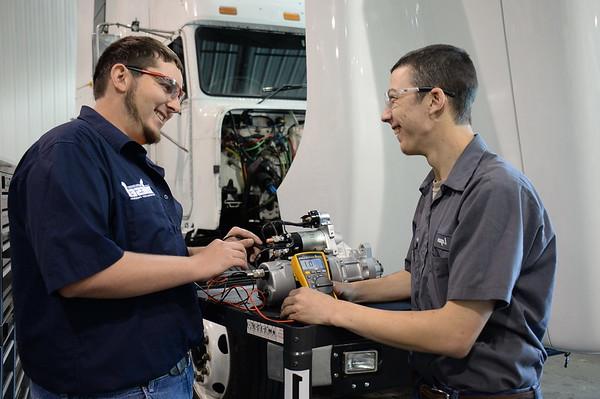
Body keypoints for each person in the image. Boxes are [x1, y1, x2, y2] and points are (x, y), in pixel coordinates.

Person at [280, 44, 556, 399]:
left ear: (435, 100)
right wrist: (349, 288)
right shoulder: (436, 186)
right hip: (429, 387)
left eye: (394, 98)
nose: (385, 114)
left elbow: (456, 333)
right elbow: (418, 277)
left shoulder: (495, 190)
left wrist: (335, 311)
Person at [8, 36, 261, 398]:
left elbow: (135, 250)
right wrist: (198, 266)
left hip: (167, 376)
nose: (175, 105)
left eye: (180, 96)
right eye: (168, 86)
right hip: (111, 388)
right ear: (121, 76)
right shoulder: (68, 153)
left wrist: (210, 254)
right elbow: (84, 273)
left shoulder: (132, 162)